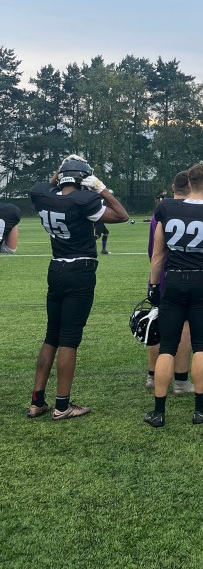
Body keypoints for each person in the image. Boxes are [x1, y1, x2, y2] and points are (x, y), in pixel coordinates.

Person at [28, 155, 129, 419]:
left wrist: (61, 169)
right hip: (80, 270)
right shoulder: (83, 200)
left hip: (56, 268)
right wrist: (102, 188)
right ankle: (62, 405)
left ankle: (37, 401)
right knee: (69, 339)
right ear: (84, 179)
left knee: (51, 336)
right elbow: (122, 215)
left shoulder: (43, 195)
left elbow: (50, 185)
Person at [144, 162, 203, 427]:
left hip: (172, 280)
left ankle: (158, 412)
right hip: (201, 281)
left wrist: (153, 285)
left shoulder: (166, 208)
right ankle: (200, 409)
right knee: (202, 344)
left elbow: (158, 254)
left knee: (167, 347)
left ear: (188, 183)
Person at [145, 171, 194, 395]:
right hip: (191, 274)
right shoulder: (200, 211)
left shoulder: (161, 212)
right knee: (185, 327)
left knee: (158, 323)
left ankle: (152, 375)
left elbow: (153, 252)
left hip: (163, 275)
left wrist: (154, 281)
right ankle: (181, 381)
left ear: (173, 187)